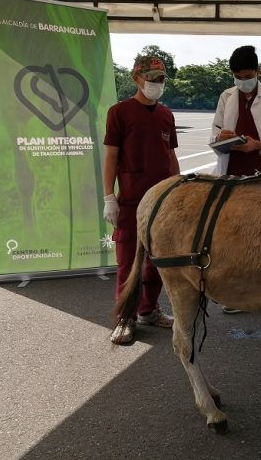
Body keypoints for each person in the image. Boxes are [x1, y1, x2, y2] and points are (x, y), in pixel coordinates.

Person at [209, 45, 261, 315]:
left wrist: (259, 145)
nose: (243, 81)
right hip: (233, 173)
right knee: (237, 236)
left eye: (248, 75)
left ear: (258, 71)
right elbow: (214, 134)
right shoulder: (226, 96)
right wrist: (221, 139)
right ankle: (239, 295)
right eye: (238, 76)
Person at [104, 55, 180, 344]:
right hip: (132, 201)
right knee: (127, 263)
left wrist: (179, 188)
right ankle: (125, 318)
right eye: (151, 79)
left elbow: (170, 156)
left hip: (162, 201)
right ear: (137, 79)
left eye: (161, 79)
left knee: (158, 261)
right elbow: (111, 155)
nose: (156, 84)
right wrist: (109, 196)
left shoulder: (166, 114)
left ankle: (149, 309)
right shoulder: (120, 112)